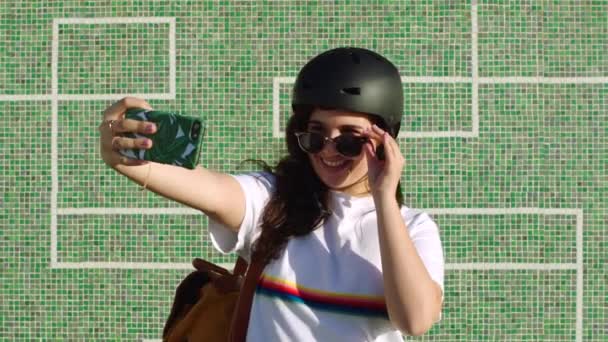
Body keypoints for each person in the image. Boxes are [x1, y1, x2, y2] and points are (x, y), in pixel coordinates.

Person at [99, 47, 444, 340]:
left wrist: (384, 199)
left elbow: (415, 319)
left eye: (350, 139)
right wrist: (127, 158)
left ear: (386, 141)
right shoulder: (273, 201)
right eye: (315, 134)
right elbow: (210, 189)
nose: (328, 150)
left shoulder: (413, 228)